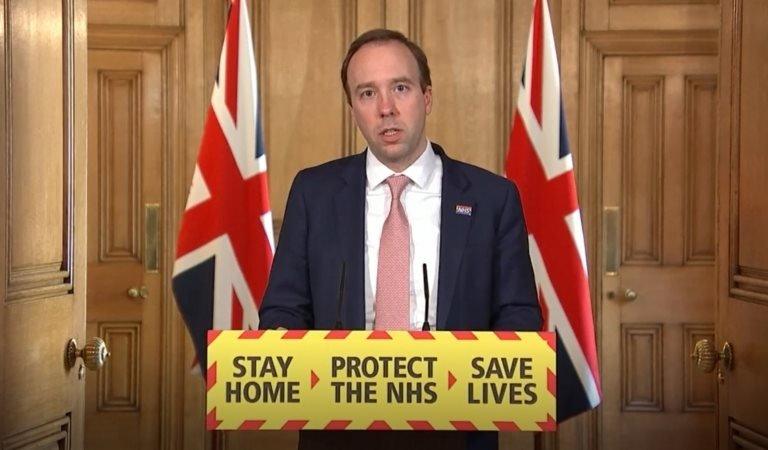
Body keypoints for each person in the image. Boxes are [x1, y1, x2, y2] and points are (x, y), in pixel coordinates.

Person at [260, 28, 541, 450]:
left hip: (454, 428)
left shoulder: (492, 198)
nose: (386, 109)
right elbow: (283, 309)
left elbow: (518, 317)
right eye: (367, 94)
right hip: (338, 428)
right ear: (353, 107)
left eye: (400, 88)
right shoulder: (313, 193)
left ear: (426, 97)